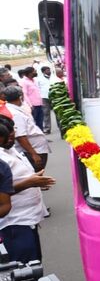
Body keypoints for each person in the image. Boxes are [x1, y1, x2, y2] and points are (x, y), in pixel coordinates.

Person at [0, 116, 56, 263]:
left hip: (27, 219)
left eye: (13, 133)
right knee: (24, 269)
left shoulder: (9, 150)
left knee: (34, 263)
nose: (13, 139)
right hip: (14, 223)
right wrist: (29, 183)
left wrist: (35, 181)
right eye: (9, 137)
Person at [3, 86, 49, 172]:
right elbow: (20, 136)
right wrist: (34, 154)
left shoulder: (15, 109)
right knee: (35, 175)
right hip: (31, 151)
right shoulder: (15, 113)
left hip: (35, 149)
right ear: (21, 96)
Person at [35, 66, 52, 134]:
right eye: (47, 70)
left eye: (49, 70)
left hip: (54, 96)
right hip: (44, 97)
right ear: (43, 71)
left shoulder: (54, 77)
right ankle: (47, 128)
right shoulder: (39, 79)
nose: (48, 71)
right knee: (46, 113)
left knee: (58, 112)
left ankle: (62, 127)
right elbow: (37, 89)